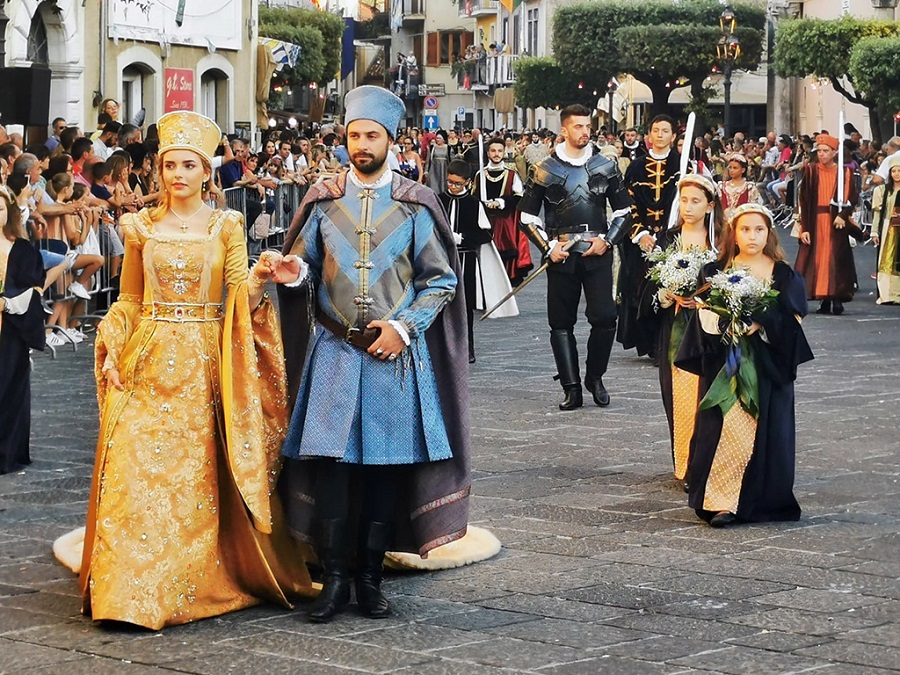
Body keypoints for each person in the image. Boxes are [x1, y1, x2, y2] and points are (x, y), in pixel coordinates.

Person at [77, 111, 314, 630]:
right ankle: (127, 592)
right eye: (170, 165)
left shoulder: (225, 226)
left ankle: (183, 579)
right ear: (159, 170)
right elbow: (130, 299)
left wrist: (261, 276)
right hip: (147, 355)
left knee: (195, 472)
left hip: (206, 359)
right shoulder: (139, 226)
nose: (177, 174)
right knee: (132, 463)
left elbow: (238, 292)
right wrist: (113, 345)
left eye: (188, 165)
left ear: (207, 171)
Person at [273, 86, 472, 623]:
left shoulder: (415, 204)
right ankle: (334, 578)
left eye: (372, 136)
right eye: (354, 135)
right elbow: (304, 265)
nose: (361, 144)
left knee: (385, 471)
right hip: (333, 352)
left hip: (394, 358)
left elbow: (440, 281)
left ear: (391, 140)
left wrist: (404, 328)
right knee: (332, 469)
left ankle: (369, 579)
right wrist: (293, 273)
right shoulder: (322, 200)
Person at [676, 204, 813, 526]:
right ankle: (720, 501)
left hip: (767, 366)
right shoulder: (714, 271)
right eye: (746, 229)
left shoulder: (784, 274)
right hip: (724, 363)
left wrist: (761, 322)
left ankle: (752, 501)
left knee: (759, 430)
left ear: (769, 234)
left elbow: (794, 318)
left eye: (759, 230)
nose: (752, 236)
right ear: (733, 234)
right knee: (723, 426)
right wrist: (726, 322)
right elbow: (704, 314)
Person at [518, 104, 631, 410]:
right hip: (562, 254)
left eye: (587, 126)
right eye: (578, 126)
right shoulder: (543, 169)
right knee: (560, 322)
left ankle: (595, 377)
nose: (584, 132)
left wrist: (607, 241)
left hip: (597, 251)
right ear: (564, 130)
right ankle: (571, 387)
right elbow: (527, 217)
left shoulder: (606, 165)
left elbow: (624, 211)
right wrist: (548, 247)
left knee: (605, 317)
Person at [655, 175, 721, 489]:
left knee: (708, 396)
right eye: (684, 200)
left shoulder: (721, 240)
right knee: (679, 396)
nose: (688, 207)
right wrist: (665, 294)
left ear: (709, 205)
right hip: (677, 329)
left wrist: (708, 300)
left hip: (711, 331)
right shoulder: (668, 239)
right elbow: (647, 283)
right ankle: (685, 462)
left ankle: (708, 463)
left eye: (696, 201)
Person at [619, 114, 680, 361]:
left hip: (673, 238)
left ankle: (668, 342)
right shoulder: (636, 167)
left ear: (673, 136)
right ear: (649, 135)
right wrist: (641, 234)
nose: (660, 135)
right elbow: (628, 204)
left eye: (665, 131)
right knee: (642, 291)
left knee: (672, 290)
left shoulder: (682, 166)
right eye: (656, 130)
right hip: (642, 241)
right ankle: (650, 343)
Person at [0, 185, 47, 474]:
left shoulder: (22, 249)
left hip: (10, 330)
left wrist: (6, 303)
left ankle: (6, 451)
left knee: (8, 388)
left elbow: (32, 289)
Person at [795, 134, 859, 316]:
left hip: (835, 222)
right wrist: (804, 228)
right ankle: (823, 298)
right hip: (815, 221)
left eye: (826, 151)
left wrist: (842, 215)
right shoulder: (811, 171)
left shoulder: (844, 173)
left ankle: (836, 297)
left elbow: (852, 197)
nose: (822, 154)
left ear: (834, 152)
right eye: (820, 151)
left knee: (836, 258)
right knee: (817, 259)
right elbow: (804, 200)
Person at [438, 159, 495, 363]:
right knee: (439, 303)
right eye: (449, 182)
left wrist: (462, 238)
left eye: (457, 184)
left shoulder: (474, 204)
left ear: (468, 182)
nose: (452, 187)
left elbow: (486, 233)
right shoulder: (439, 200)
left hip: (466, 259)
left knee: (464, 307)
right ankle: (441, 348)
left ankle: (466, 348)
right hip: (442, 259)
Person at [473, 136, 532, 285]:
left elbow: (519, 197)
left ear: (504, 152)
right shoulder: (480, 175)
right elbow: (473, 198)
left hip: (504, 225)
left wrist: (500, 202)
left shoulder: (511, 174)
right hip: (484, 223)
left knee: (504, 261)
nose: (496, 154)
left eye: (499, 151)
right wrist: (482, 204)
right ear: (488, 153)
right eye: (493, 151)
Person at [871, 154, 900, 304]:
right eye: (893, 171)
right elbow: (877, 214)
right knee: (886, 260)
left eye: (899, 171)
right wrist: (874, 231)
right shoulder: (882, 191)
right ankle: (887, 294)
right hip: (888, 228)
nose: (896, 174)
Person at [718, 153, 761, 224]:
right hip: (723, 225)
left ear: (743, 170)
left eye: (735, 168)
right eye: (730, 167)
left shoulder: (749, 187)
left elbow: (755, 209)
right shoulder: (721, 186)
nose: (731, 170)